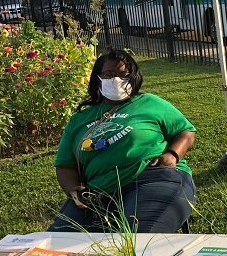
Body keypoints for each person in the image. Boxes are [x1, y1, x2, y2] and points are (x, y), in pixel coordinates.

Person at [49, 49, 196, 233]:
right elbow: (65, 165)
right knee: (54, 250)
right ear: (98, 78)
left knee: (138, 242)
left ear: (132, 78)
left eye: (123, 75)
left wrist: (172, 154)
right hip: (96, 195)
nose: (116, 80)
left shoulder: (149, 102)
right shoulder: (79, 120)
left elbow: (186, 131)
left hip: (152, 178)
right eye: (109, 74)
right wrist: (74, 190)